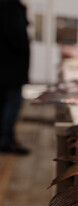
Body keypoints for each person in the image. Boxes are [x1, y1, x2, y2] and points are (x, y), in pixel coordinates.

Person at [0, 0, 30, 154]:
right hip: (11, 68)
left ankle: (7, 138)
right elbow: (17, 37)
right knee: (12, 103)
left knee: (8, 103)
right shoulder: (10, 7)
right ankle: (5, 141)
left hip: (8, 68)